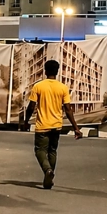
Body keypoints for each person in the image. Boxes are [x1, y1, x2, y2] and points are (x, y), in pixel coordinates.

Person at [23, 60, 82, 190]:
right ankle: (49, 176)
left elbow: (31, 106)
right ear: (57, 71)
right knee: (52, 151)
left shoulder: (38, 86)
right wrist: (76, 128)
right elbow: (68, 109)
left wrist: (26, 121)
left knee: (40, 150)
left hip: (42, 125)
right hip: (57, 125)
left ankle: (47, 171)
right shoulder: (63, 88)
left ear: (45, 71)